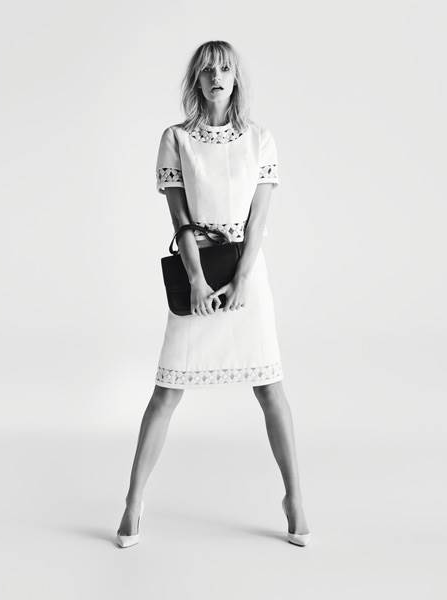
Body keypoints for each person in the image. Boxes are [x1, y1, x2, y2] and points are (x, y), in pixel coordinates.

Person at [116, 40, 311, 548]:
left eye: (224, 69)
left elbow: (259, 221)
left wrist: (242, 280)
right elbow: (180, 220)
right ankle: (133, 502)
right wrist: (198, 280)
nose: (216, 77)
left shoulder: (260, 139)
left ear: (236, 78)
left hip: (247, 274)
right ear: (196, 80)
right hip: (197, 270)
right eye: (206, 70)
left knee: (270, 388)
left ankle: (294, 498)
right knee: (166, 392)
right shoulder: (176, 139)